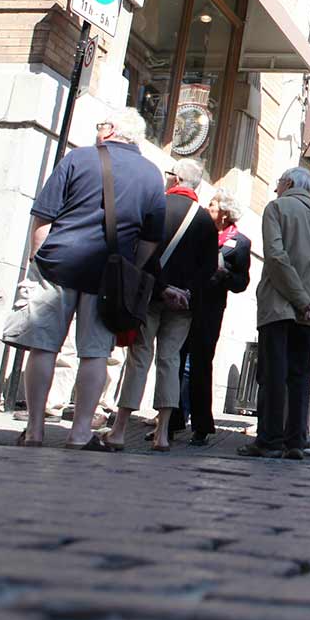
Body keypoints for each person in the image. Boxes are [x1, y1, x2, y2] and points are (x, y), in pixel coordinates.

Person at [2, 108, 165, 450]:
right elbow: (151, 237)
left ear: (109, 130)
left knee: (43, 346)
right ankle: (79, 434)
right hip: (108, 275)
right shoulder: (152, 175)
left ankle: (34, 430)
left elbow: (44, 217)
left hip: (59, 263)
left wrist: (37, 259)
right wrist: (128, 268)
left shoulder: (78, 158)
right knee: (94, 354)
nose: (97, 130)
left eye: (99, 125)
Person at [107, 158, 217, 452]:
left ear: (174, 178)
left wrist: (162, 287)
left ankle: (118, 429)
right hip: (184, 304)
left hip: (151, 297)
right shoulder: (206, 220)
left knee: (139, 359)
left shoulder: (158, 208)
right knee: (171, 362)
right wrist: (186, 292)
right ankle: (163, 433)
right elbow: (208, 269)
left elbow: (142, 253)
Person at [238, 168, 310, 460]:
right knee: (300, 375)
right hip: (308, 314)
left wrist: (300, 299)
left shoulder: (277, 208)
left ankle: (269, 440)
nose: (275, 188)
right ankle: (296, 440)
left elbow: (275, 257)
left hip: (278, 306)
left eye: (278, 182)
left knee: (273, 373)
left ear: (289, 183)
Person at [180, 187, 251, 445]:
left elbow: (242, 281)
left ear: (224, 211)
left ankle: (201, 426)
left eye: (212, 204)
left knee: (200, 364)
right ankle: (173, 419)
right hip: (186, 302)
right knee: (176, 360)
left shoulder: (240, 243)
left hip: (210, 308)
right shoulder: (197, 233)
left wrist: (226, 277)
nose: (208, 207)